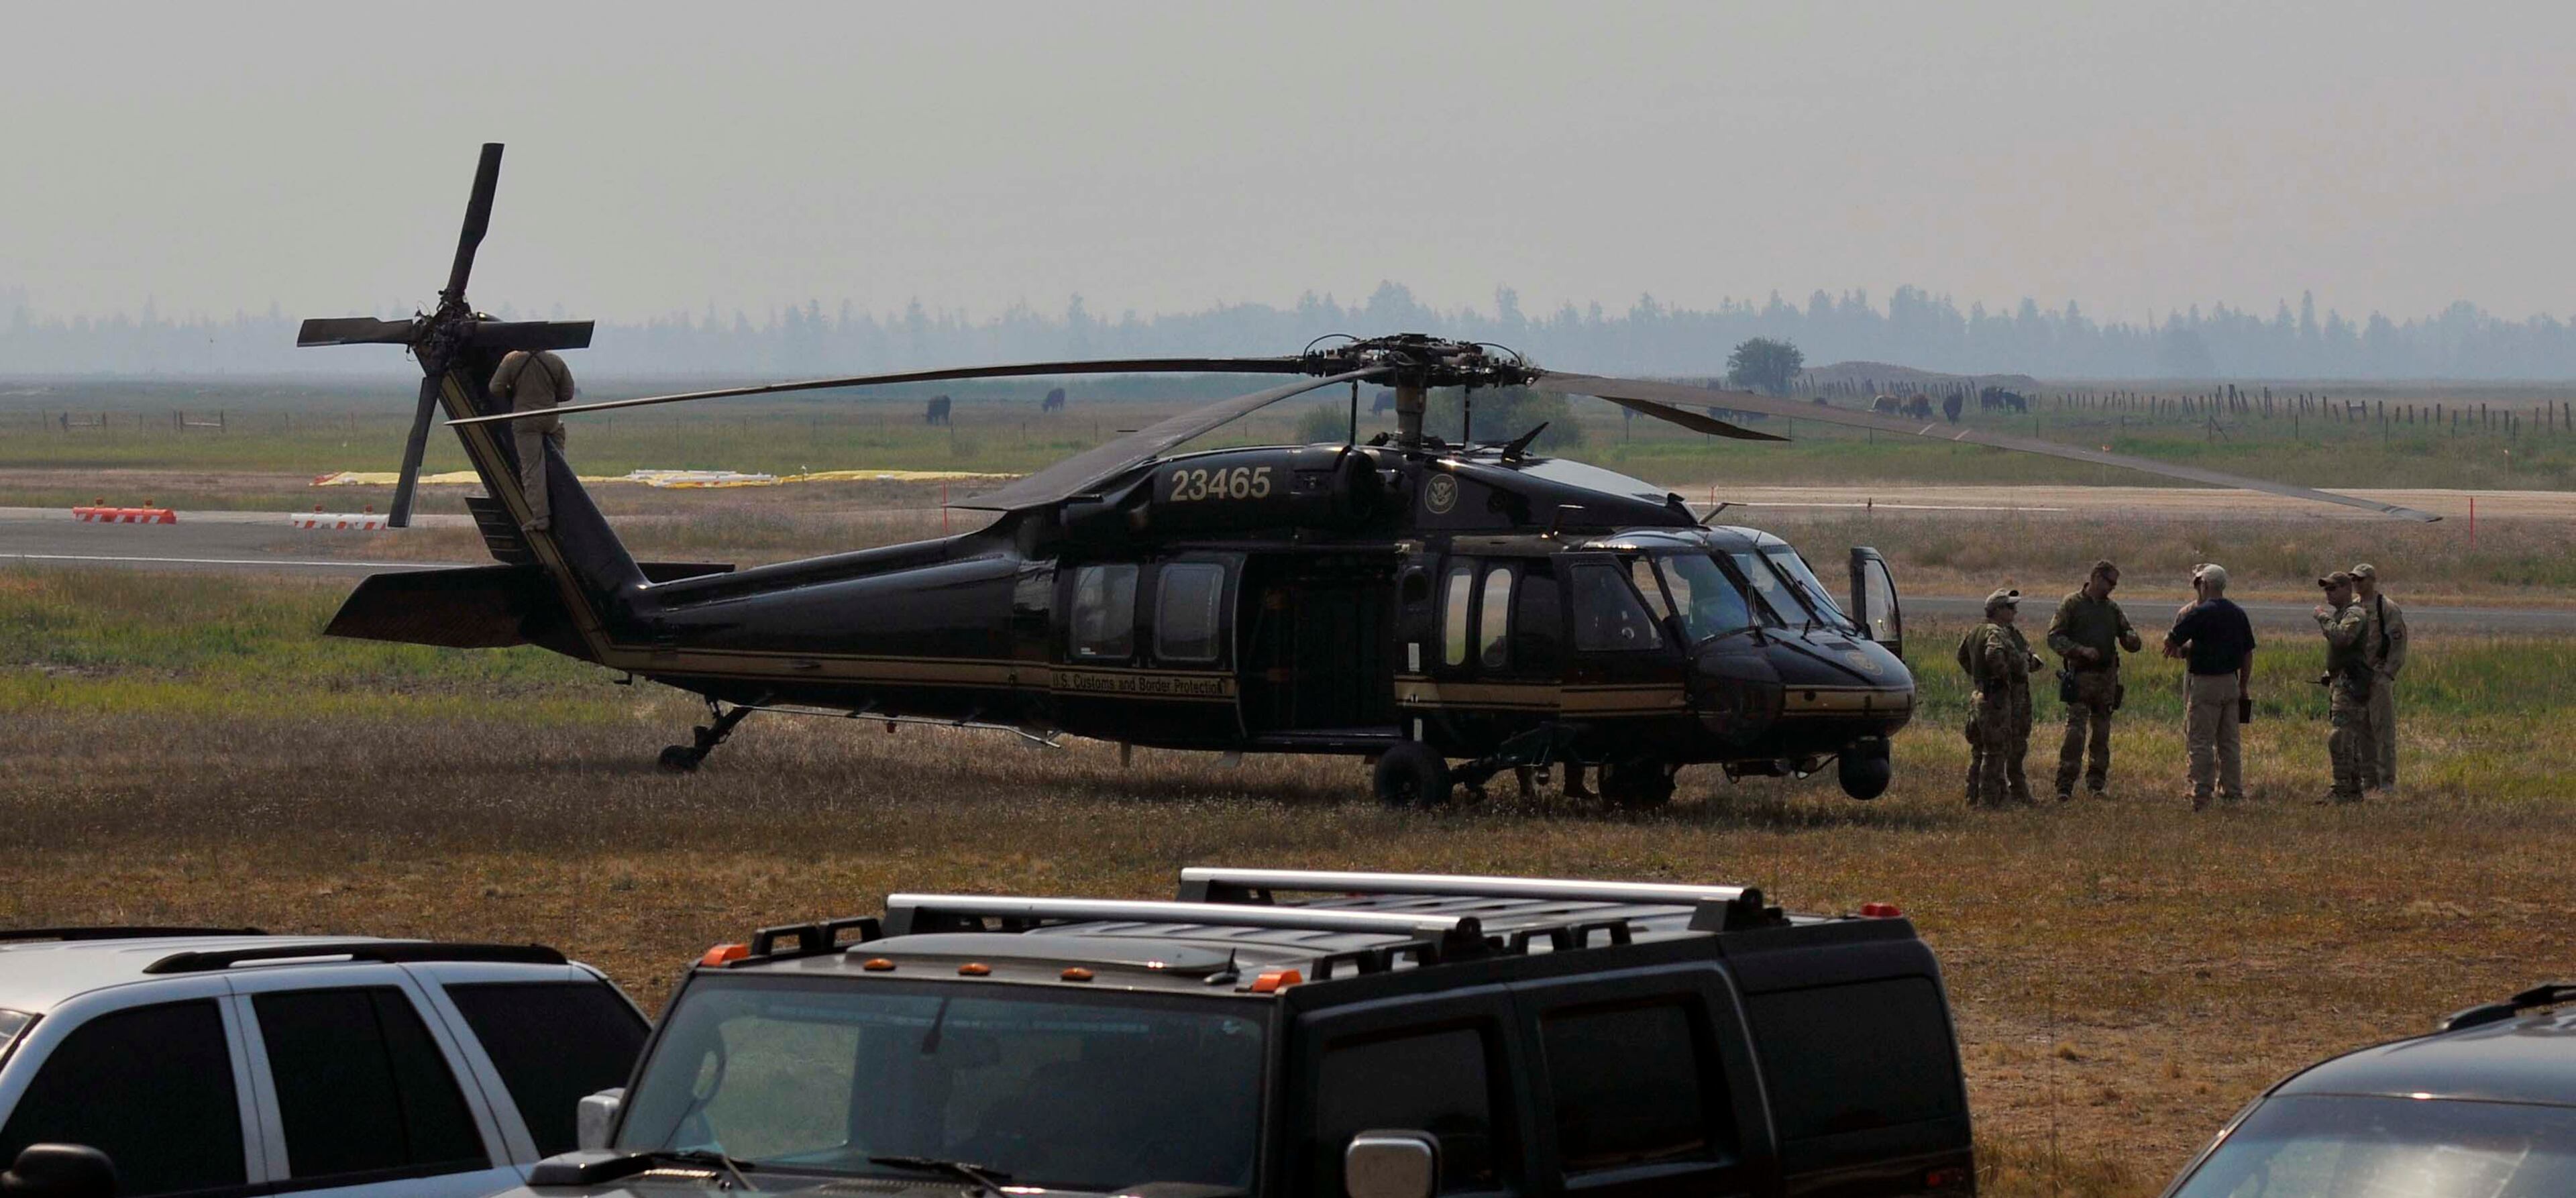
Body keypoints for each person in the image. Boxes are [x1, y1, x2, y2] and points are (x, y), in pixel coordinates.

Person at [2046, 559, 2144, 800]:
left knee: (2101, 734)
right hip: (2080, 679)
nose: (2112, 588)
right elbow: (2054, 637)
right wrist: (2080, 650)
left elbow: (2128, 634)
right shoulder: (2072, 604)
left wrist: (2131, 638)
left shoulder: (2112, 609)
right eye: (2110, 582)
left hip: (2106, 680)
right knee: (2075, 734)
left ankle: (2096, 784)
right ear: (2097, 578)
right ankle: (2065, 785)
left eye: (2115, 584)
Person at [2165, 563, 2255, 811]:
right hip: (2231, 682)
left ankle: (2202, 792)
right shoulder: (2238, 613)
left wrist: (2182, 650)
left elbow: (2171, 640)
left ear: (2204, 585)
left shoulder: (2199, 613)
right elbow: (2248, 653)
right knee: (2229, 740)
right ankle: (2233, 791)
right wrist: (2244, 685)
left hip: (2205, 683)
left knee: (2201, 740)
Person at [1963, 588, 2044, 807]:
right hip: (1996, 699)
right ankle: (1992, 800)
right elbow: (1994, 655)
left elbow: (1963, 658)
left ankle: (1973, 795)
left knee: (1980, 750)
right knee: (1995, 752)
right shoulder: (1995, 632)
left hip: (1981, 694)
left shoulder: (1976, 631)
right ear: (1997, 610)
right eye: (2010, 607)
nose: (2015, 611)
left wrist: (1980, 678)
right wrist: (2007, 675)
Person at [488, 349, 576, 531]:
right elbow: (567, 393)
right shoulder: (554, 360)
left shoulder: (512, 359)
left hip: (525, 421)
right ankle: (565, 505)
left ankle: (540, 517)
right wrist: (548, 397)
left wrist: (514, 394)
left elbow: (495, 388)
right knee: (558, 461)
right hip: (551, 418)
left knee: (532, 469)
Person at [2314, 571, 2375, 804]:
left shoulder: (2355, 614)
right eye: (2326, 590)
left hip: (2351, 683)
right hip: (2341, 679)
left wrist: (2322, 618)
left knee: (2339, 737)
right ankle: (2352, 788)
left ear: (2346, 590)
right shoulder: (2342, 614)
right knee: (2348, 737)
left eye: (2333, 589)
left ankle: (2342, 788)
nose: (2328, 594)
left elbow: (2341, 639)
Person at [2351, 563, 2407, 795]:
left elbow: (2398, 642)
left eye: (2361, 579)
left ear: (2372, 581)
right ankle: (2369, 779)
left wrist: (2387, 673)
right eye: (2354, 579)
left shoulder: (2387, 608)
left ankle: (2387, 782)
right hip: (2359, 679)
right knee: (2361, 732)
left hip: (2378, 678)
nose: (2357, 583)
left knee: (2383, 731)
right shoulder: (2353, 608)